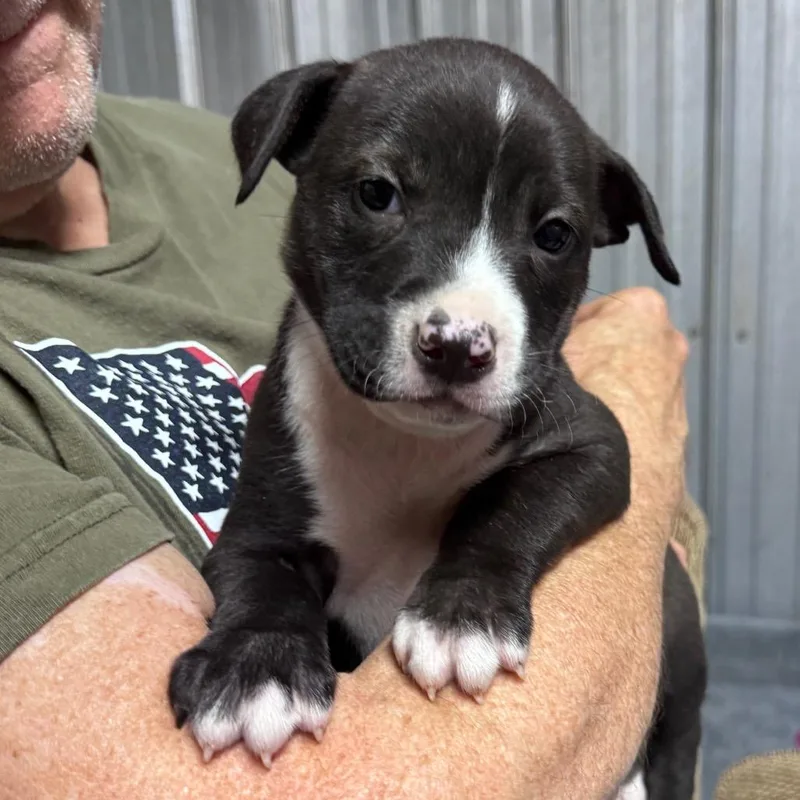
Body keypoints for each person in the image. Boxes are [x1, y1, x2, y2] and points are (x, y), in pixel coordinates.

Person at [0, 1, 705, 798]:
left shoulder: (183, 148)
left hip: (639, 725)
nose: (462, 331)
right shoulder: (296, 401)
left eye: (549, 237)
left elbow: (592, 453)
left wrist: (485, 565)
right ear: (289, 153)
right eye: (379, 196)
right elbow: (260, 550)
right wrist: (267, 629)